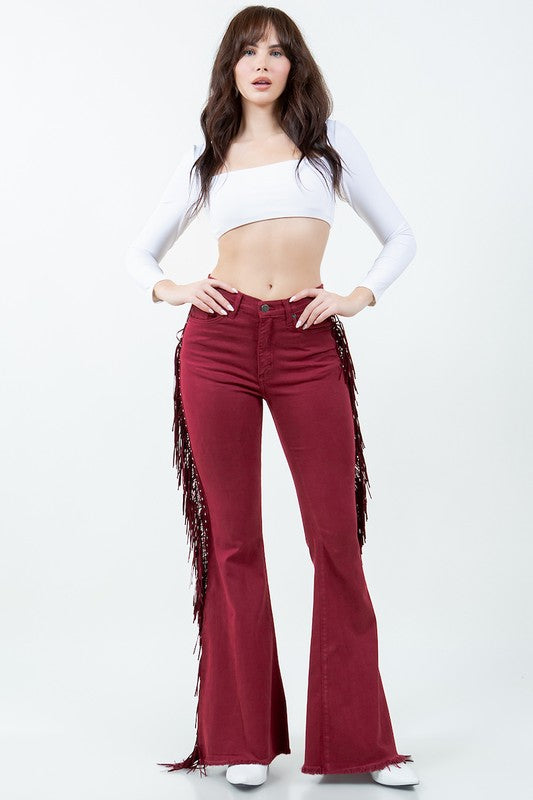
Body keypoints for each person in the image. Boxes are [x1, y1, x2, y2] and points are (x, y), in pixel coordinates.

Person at [125, 5, 419, 789]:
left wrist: (356, 296)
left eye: (278, 51)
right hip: (217, 346)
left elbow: (400, 236)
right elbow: (139, 250)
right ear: (229, 66)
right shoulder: (208, 150)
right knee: (233, 544)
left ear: (295, 66)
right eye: (248, 51)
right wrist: (171, 288)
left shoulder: (328, 144)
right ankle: (242, 741)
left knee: (334, 541)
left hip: (305, 341)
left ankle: (361, 747)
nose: (262, 63)